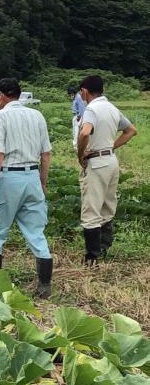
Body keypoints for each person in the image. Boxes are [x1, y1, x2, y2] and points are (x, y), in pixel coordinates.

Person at [0, 77, 54, 298]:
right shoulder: (37, 115)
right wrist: (42, 182)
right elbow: (46, 153)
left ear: (1, 96)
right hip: (31, 176)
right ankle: (44, 286)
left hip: (9, 177)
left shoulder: (0, 116)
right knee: (35, 232)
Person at [76, 75, 137, 263]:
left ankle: (91, 257)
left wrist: (81, 153)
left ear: (84, 91)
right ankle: (103, 249)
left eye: (81, 92)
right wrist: (111, 146)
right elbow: (131, 131)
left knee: (91, 208)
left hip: (96, 163)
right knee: (107, 206)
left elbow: (85, 131)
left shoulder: (91, 109)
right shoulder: (111, 107)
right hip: (111, 160)